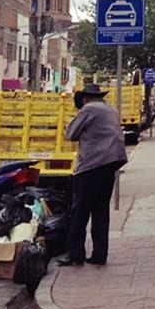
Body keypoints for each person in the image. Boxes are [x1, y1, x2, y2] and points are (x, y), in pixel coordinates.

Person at [57, 83, 128, 266]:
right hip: (110, 165)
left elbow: (71, 133)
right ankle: (99, 254)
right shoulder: (110, 110)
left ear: (85, 98)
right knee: (100, 211)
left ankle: (76, 254)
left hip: (91, 166)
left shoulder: (89, 109)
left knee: (80, 212)